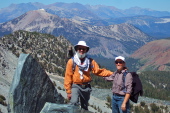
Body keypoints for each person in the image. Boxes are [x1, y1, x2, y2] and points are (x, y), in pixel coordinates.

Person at [64, 41, 113, 111]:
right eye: (80, 48)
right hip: (75, 85)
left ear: (86, 50)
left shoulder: (90, 61)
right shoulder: (72, 61)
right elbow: (68, 76)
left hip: (86, 87)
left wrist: (111, 73)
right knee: (73, 102)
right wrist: (68, 91)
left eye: (83, 49)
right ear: (77, 49)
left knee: (84, 107)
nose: (81, 50)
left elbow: (98, 71)